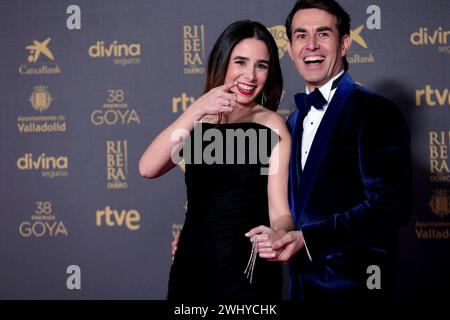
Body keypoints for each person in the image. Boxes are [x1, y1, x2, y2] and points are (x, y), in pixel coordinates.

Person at [248, 0, 413, 301]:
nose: (311, 45)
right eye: (301, 35)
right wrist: (201, 238)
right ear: (290, 49)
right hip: (300, 290)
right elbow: (281, 209)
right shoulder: (290, 122)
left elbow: (390, 206)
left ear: (345, 44)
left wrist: (310, 239)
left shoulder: (374, 111)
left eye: (323, 34)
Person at [139, 20, 294, 301]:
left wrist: (279, 233)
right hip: (191, 264)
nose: (250, 75)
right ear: (222, 62)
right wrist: (197, 109)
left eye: (261, 65)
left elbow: (280, 209)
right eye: (241, 62)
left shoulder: (271, 125)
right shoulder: (199, 121)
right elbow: (148, 167)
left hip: (245, 271)